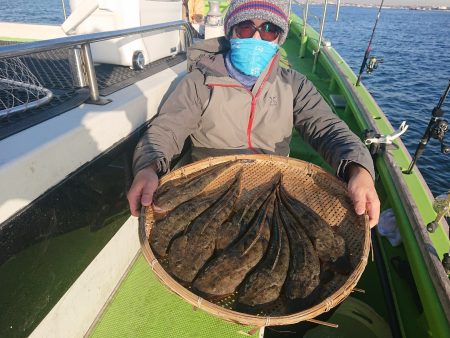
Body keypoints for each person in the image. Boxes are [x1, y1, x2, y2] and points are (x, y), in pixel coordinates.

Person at [127, 0, 380, 228]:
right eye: (246, 28)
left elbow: (327, 129)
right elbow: (167, 130)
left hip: (272, 186)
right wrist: (147, 167)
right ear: (232, 33)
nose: (257, 37)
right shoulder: (199, 83)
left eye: (269, 29)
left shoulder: (294, 85)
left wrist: (359, 169)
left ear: (279, 38)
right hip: (209, 187)